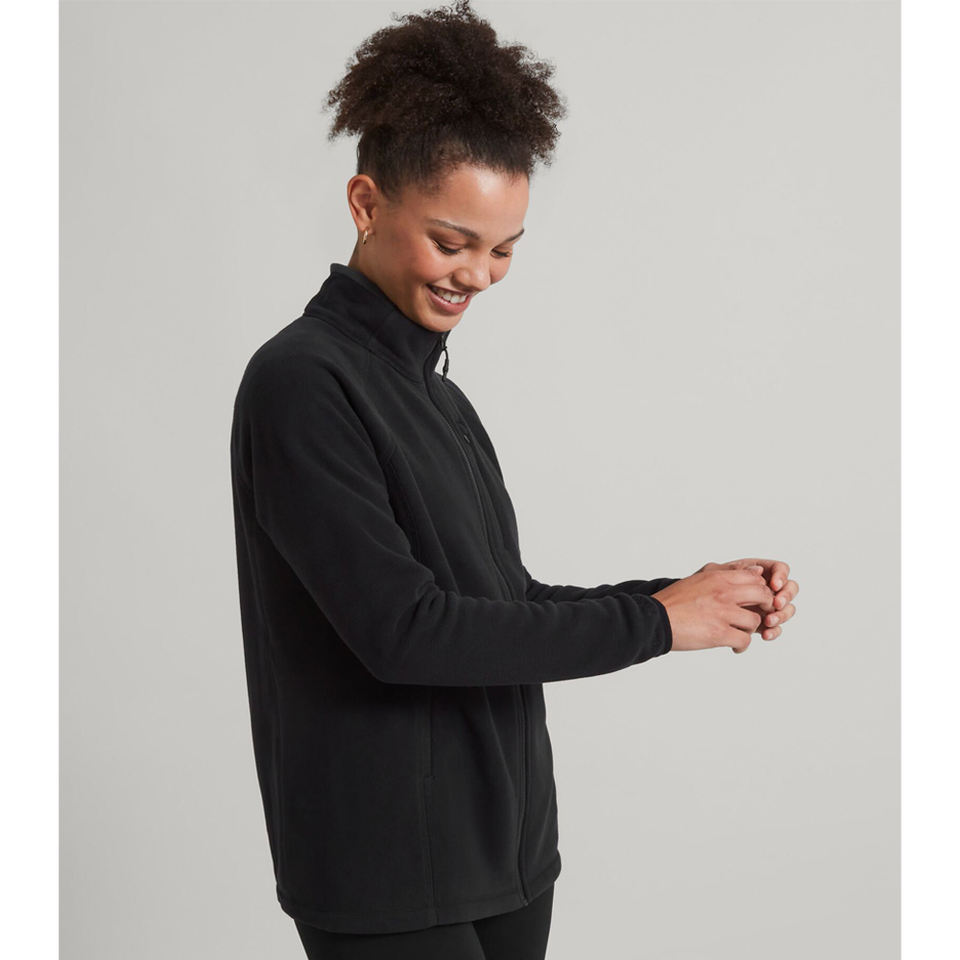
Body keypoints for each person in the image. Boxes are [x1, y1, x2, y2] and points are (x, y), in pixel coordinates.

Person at [228, 2, 800, 957]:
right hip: (385, 867)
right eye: (452, 242)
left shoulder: (439, 397)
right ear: (366, 203)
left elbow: (501, 604)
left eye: (502, 250)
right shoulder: (301, 382)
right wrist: (657, 623)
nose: (479, 276)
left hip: (507, 847)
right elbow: (404, 632)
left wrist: (686, 596)